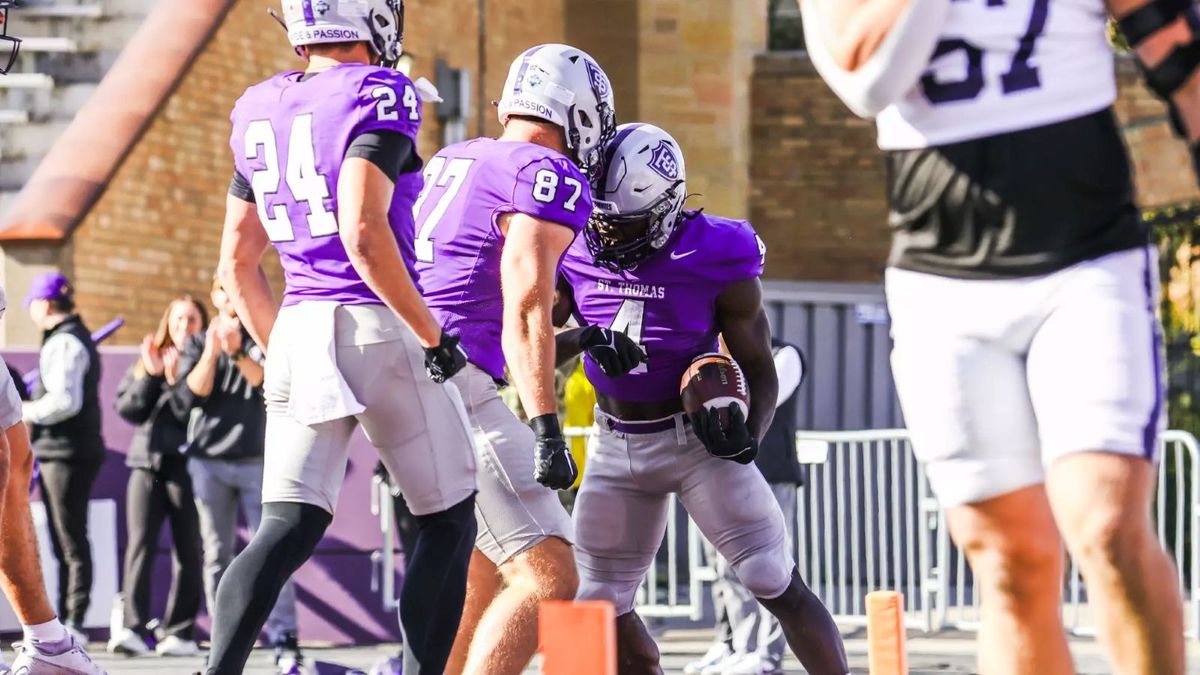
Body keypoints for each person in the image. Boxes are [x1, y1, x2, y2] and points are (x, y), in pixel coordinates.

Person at [801, 0, 1188, 672]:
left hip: (1086, 258)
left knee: (1105, 523)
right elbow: (858, 72)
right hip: (941, 280)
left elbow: (1179, 56)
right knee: (1010, 562)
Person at [207, 1, 479, 673]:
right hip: (377, 320)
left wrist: (282, 353)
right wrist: (434, 336)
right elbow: (364, 230)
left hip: (298, 321)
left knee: (287, 523)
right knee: (448, 518)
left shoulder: (259, 105)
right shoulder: (379, 90)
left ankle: (217, 670)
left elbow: (236, 265)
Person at [555, 123, 849, 675]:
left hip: (695, 443)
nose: (608, 238)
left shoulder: (717, 250)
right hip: (614, 444)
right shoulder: (570, 241)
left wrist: (749, 438)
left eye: (625, 224)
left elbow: (760, 364)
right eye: (601, 224)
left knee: (771, 576)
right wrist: (581, 338)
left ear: (666, 207)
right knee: (598, 603)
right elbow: (523, 343)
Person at [412, 43, 616, 675]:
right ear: (578, 114)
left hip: (406, 365)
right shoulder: (545, 172)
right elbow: (526, 304)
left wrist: (578, 337)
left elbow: (482, 285)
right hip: (451, 382)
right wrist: (546, 427)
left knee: (480, 569)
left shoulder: (455, 156)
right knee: (552, 571)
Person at [170, 281, 302, 669]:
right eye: (223, 289)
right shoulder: (198, 341)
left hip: (257, 462)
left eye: (235, 287)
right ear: (214, 296)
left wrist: (237, 349)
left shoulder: (263, 334)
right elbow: (194, 391)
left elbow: (263, 380)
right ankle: (223, 636)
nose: (230, 295)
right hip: (208, 463)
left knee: (273, 552)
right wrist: (212, 351)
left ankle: (284, 636)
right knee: (216, 554)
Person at [0, 285, 106, 674]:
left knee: (13, 467)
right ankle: (56, 635)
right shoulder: (65, 340)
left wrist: (29, 409)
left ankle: (53, 638)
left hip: (67, 451)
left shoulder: (64, 341)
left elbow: (64, 401)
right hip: (66, 451)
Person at [687, 339, 806, 675]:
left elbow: (754, 400)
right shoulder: (715, 359)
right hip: (722, 474)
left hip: (771, 474)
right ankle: (738, 644)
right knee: (724, 567)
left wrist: (712, 383)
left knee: (772, 567)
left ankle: (767, 654)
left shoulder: (786, 355)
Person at [107, 296, 207, 657]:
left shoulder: (206, 359)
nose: (184, 326)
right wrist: (151, 375)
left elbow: (190, 409)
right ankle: (133, 627)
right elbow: (130, 409)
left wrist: (176, 379)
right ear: (168, 321)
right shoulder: (149, 357)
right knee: (140, 546)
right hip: (146, 464)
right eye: (179, 318)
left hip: (188, 466)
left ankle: (180, 631)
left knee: (188, 550)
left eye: (192, 319)